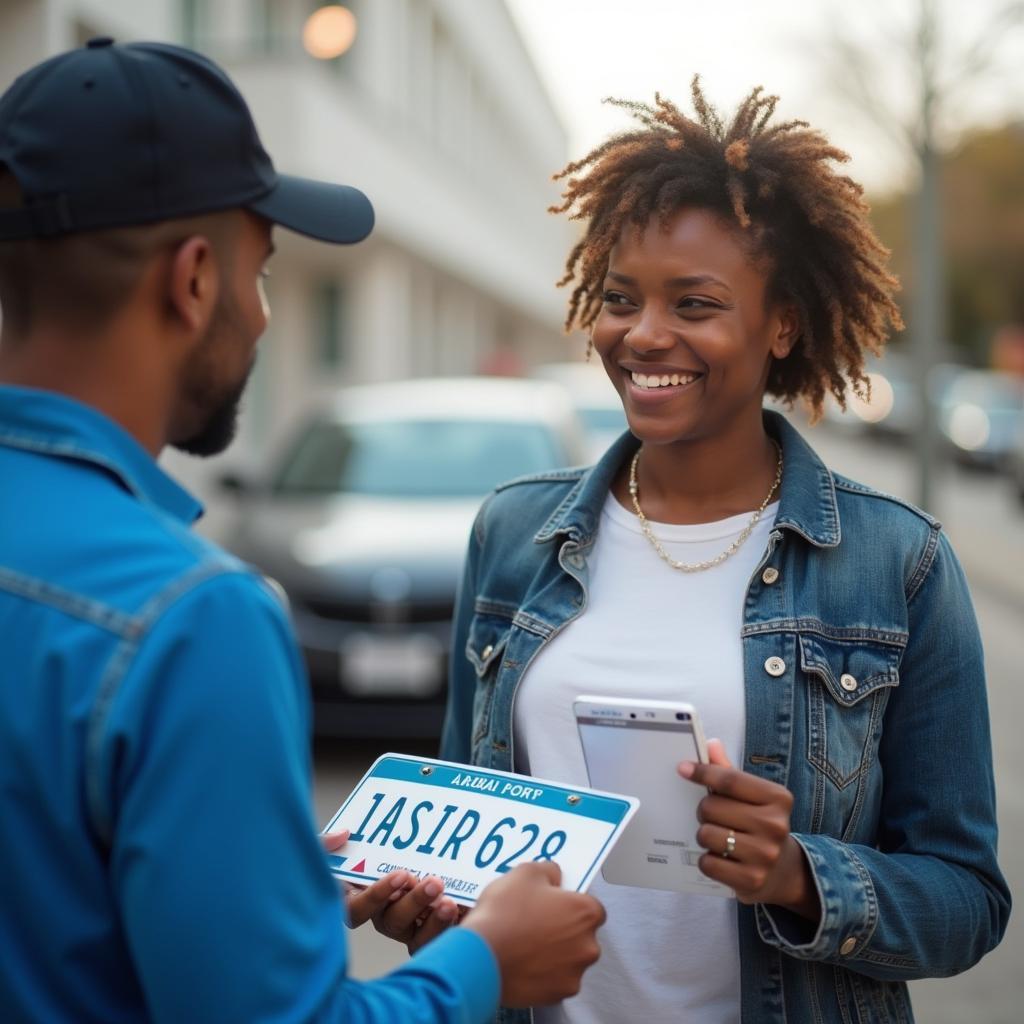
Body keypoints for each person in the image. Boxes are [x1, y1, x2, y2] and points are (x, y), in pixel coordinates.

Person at [0, 39, 605, 1024]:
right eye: (263, 271)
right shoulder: (191, 619)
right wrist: (489, 960)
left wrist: (250, 881)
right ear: (193, 282)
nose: (265, 315)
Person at [441, 80, 1011, 1023]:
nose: (645, 334)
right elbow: (468, 834)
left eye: (695, 304)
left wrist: (799, 876)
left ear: (781, 324)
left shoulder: (897, 565)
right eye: (621, 299)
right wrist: (435, 908)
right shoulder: (511, 535)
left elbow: (968, 903)